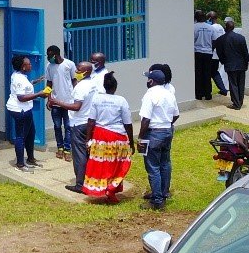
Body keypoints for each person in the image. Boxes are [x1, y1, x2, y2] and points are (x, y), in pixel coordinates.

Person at [82, 73, 135, 202]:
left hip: (100, 136)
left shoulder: (97, 99)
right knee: (120, 163)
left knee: (102, 164)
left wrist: (88, 139)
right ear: (115, 87)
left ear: (104, 86)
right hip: (117, 136)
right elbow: (128, 123)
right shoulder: (121, 100)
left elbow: (91, 121)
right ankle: (111, 188)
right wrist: (131, 142)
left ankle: (102, 189)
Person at [50, 60, 99, 194]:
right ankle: (90, 180)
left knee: (79, 155)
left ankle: (80, 184)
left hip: (79, 124)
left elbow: (76, 107)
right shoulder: (94, 84)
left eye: (79, 70)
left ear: (86, 72)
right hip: (91, 122)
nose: (76, 72)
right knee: (89, 153)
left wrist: (57, 102)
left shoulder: (81, 87)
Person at [138, 68, 179, 210]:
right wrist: (166, 124)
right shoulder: (169, 94)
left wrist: (140, 138)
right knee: (165, 163)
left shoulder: (150, 95)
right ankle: (164, 192)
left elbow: (145, 120)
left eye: (148, 79)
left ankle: (157, 200)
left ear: (151, 81)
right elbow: (176, 115)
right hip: (167, 131)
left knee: (153, 167)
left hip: (153, 133)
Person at [5, 54, 42, 171]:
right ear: (23, 67)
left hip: (25, 109)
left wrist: (36, 81)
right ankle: (20, 164)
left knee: (31, 133)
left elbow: (25, 87)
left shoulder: (19, 75)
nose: (31, 65)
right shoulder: (19, 78)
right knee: (21, 136)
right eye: (29, 64)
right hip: (19, 110)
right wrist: (38, 94)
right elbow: (21, 97)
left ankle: (30, 158)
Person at [45, 45, 76, 161]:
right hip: (55, 103)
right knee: (57, 126)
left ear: (56, 55)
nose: (48, 57)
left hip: (68, 102)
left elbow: (74, 80)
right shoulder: (49, 66)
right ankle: (60, 148)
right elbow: (49, 83)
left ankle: (68, 150)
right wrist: (49, 99)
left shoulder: (69, 64)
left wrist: (76, 97)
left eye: (49, 55)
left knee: (68, 126)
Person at [213, 17, 249, 110]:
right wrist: (246, 63)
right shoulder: (241, 38)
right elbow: (245, 52)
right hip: (241, 64)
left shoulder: (220, 39)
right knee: (241, 84)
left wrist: (223, 62)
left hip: (230, 64)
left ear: (226, 27)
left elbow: (219, 53)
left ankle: (236, 104)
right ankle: (240, 102)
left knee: (233, 84)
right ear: (233, 27)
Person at [192, 10, 216, 101]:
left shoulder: (194, 27)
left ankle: (199, 94)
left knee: (198, 74)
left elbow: (191, 40)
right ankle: (208, 94)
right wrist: (210, 49)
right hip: (208, 53)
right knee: (207, 73)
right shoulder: (211, 28)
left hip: (197, 52)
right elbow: (214, 41)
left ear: (196, 18)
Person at [206, 11, 230, 98]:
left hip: (212, 54)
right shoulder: (221, 28)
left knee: (208, 73)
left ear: (210, 18)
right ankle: (223, 89)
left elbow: (211, 41)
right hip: (218, 54)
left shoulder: (211, 28)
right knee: (214, 72)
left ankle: (208, 92)